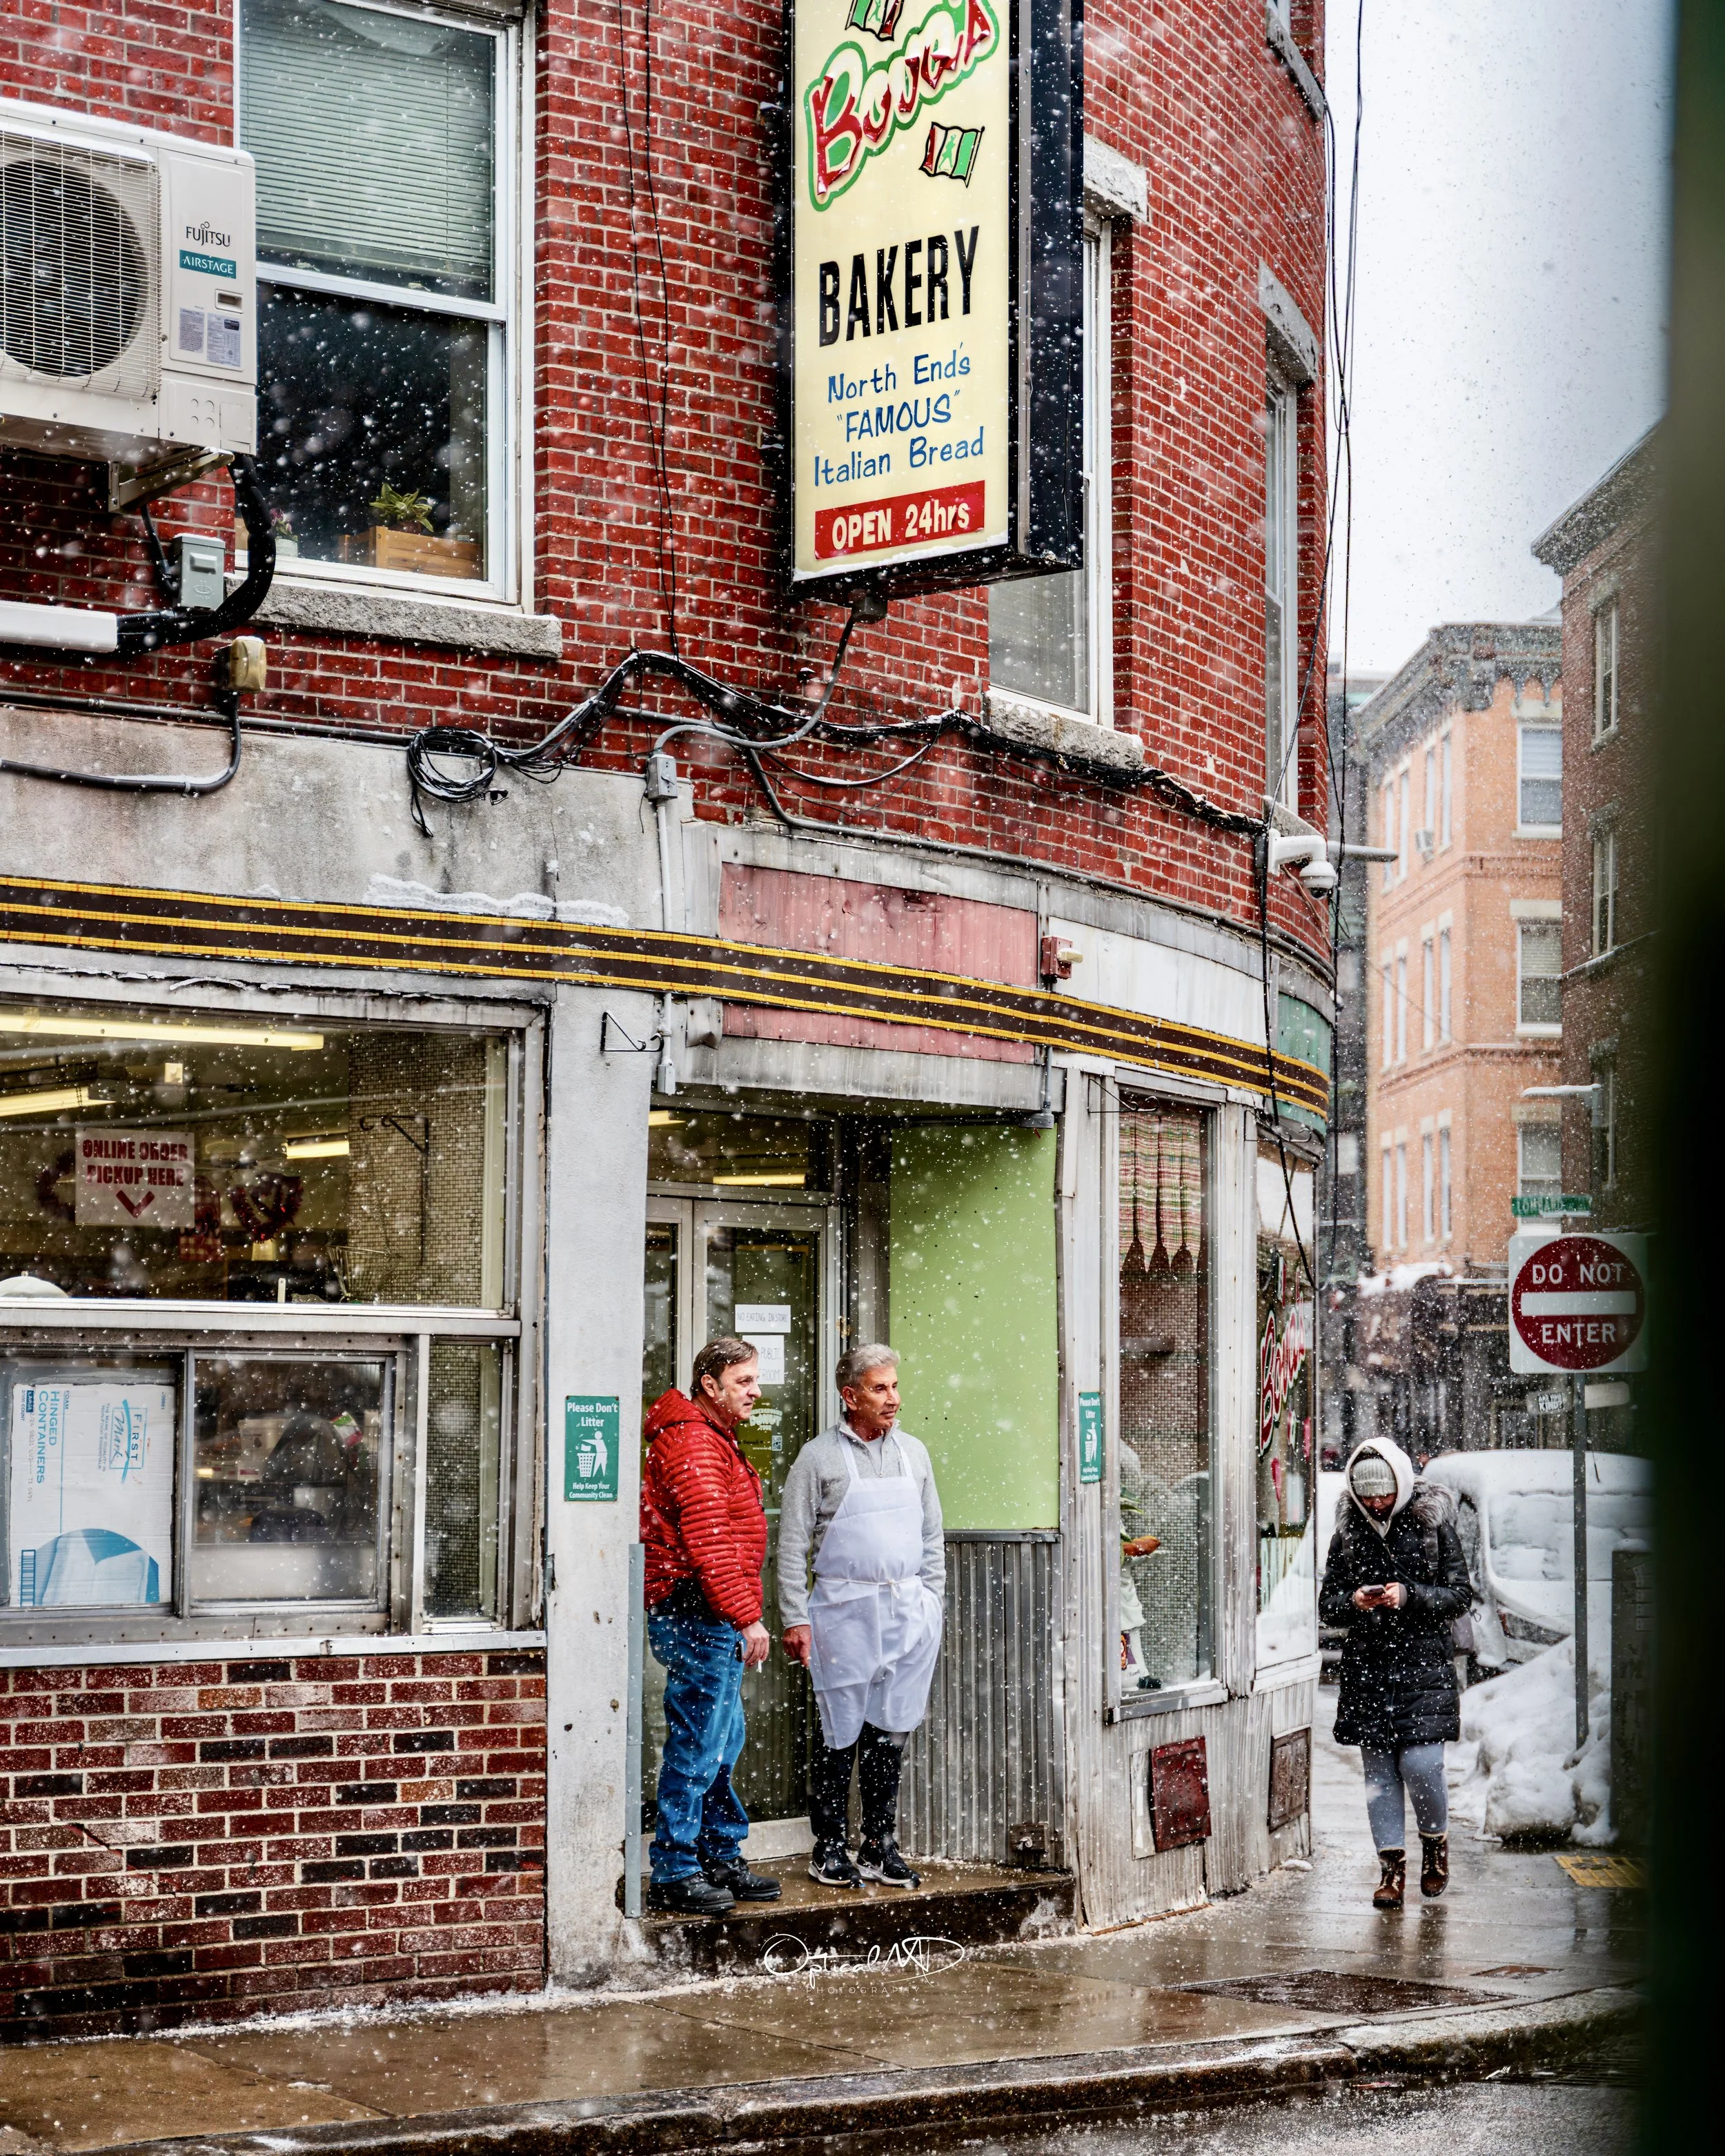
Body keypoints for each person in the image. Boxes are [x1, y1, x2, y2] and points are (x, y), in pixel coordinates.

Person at [778, 1343, 943, 1888]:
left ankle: (879, 1844)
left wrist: (931, 1604)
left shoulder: (914, 1454)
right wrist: (794, 1617)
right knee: (837, 1733)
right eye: (880, 1388)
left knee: (890, 1732)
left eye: (895, 1386)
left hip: (906, 1609)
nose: (893, 1397)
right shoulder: (817, 1457)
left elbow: (931, 1537)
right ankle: (827, 1846)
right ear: (850, 1396)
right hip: (843, 1613)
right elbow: (792, 1543)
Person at [640, 1337, 783, 1915]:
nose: (756, 1390)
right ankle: (675, 1868)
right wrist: (746, 1616)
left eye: (756, 1379)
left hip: (710, 1609)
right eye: (744, 1380)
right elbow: (710, 1541)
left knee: (722, 1739)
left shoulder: (709, 1438)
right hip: (699, 1609)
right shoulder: (693, 1442)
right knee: (700, 1741)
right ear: (710, 1384)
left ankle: (717, 1851)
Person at [1319, 1435, 1473, 1910]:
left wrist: (1409, 1596)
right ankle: (1391, 1870)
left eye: (1383, 1493)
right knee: (1380, 1775)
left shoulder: (1434, 1525)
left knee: (1422, 1764)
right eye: (1367, 1495)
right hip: (1369, 1668)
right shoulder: (1347, 1532)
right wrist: (1355, 1602)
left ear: (1402, 1484)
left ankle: (1434, 1845)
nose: (1376, 1502)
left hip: (1423, 1664)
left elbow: (1461, 1595)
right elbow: (1328, 1604)